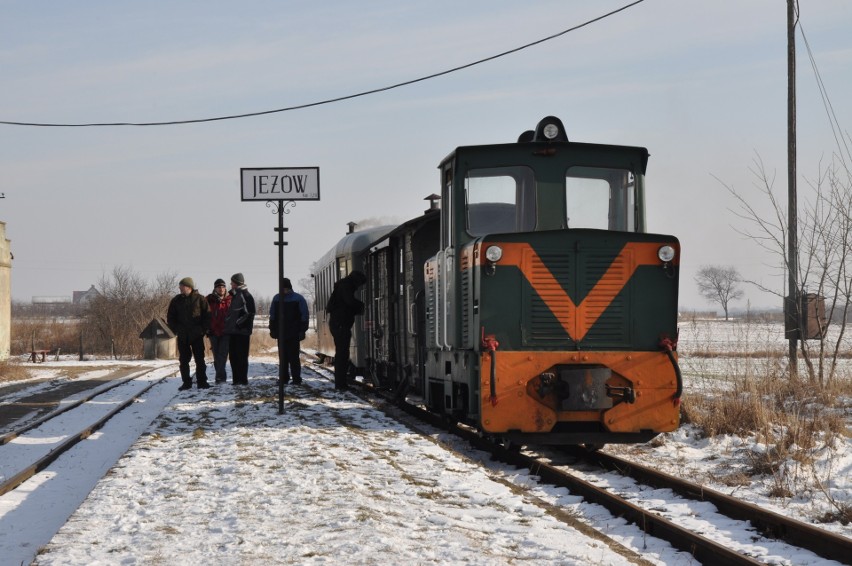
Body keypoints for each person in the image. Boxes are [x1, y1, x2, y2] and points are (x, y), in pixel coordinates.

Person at [167, 277, 211, 391]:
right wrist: (176, 330)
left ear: (189, 287)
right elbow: (170, 317)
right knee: (183, 360)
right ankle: (186, 382)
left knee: (200, 359)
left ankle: (202, 382)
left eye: (182, 286)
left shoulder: (200, 299)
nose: (180, 288)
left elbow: (207, 316)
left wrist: (202, 330)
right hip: (182, 336)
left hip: (197, 335)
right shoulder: (176, 300)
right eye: (180, 286)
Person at [326, 270, 367, 391]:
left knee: (342, 354)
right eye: (359, 285)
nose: (358, 288)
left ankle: (341, 383)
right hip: (340, 324)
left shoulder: (343, 285)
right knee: (342, 354)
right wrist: (361, 305)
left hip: (339, 323)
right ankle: (340, 384)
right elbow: (349, 302)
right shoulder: (346, 286)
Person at [269, 277, 310, 385]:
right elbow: (272, 315)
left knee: (293, 357)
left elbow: (304, 315)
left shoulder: (292, 299)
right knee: (283, 357)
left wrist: (302, 330)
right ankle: (285, 378)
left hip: (293, 333)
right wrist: (272, 328)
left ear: (289, 288)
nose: (284, 291)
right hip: (284, 333)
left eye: (285, 288)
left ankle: (296, 378)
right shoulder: (281, 298)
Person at [224, 272, 255, 385]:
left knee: (241, 357)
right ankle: (236, 380)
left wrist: (238, 323)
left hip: (242, 332)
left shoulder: (245, 295)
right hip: (233, 332)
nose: (230, 284)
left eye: (232, 282)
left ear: (237, 283)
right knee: (233, 357)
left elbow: (250, 313)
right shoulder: (235, 295)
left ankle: (242, 380)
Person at [206, 278, 231, 383]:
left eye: (223, 287)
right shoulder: (209, 299)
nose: (221, 289)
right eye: (219, 287)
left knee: (223, 355)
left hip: (226, 332)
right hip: (213, 332)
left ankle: (220, 377)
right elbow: (204, 315)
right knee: (216, 355)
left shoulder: (230, 299)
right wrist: (207, 329)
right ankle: (220, 376)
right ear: (215, 288)